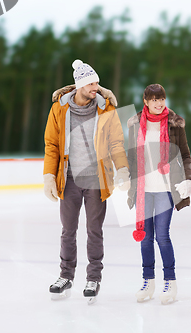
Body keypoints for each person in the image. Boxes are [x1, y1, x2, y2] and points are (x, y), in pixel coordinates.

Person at [43, 59, 130, 304]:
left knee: (94, 231)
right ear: (80, 85)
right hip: (69, 179)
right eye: (91, 83)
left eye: (97, 83)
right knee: (68, 231)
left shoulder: (106, 109)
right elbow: (52, 144)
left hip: (96, 179)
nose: (96, 87)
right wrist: (49, 176)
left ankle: (93, 278)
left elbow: (115, 143)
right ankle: (65, 276)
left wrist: (122, 168)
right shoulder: (59, 109)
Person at [126, 84, 191, 304]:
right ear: (145, 101)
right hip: (143, 190)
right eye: (154, 99)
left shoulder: (175, 123)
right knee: (145, 239)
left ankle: (170, 282)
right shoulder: (135, 124)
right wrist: (124, 177)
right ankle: (148, 281)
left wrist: (188, 180)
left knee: (162, 236)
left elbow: (185, 155)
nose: (158, 103)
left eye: (161, 98)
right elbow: (131, 157)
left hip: (165, 188)